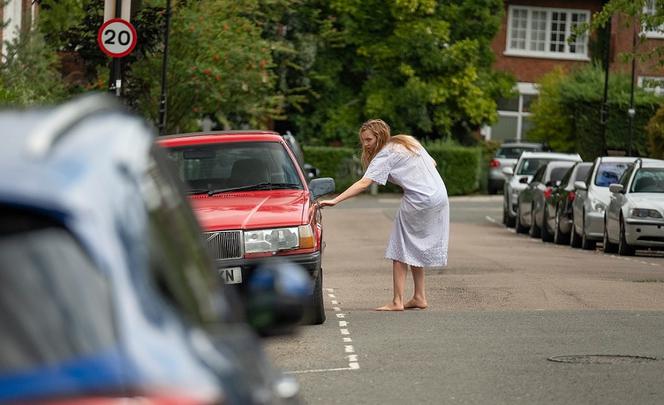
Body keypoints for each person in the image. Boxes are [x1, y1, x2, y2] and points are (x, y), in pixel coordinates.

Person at [319, 119, 449, 311]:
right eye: (363, 140)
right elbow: (432, 162)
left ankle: (397, 301)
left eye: (369, 139)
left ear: (379, 137)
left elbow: (364, 183)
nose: (365, 144)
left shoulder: (385, 154)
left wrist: (336, 200)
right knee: (413, 245)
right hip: (439, 195)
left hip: (420, 199)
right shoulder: (407, 141)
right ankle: (419, 297)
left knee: (400, 247)